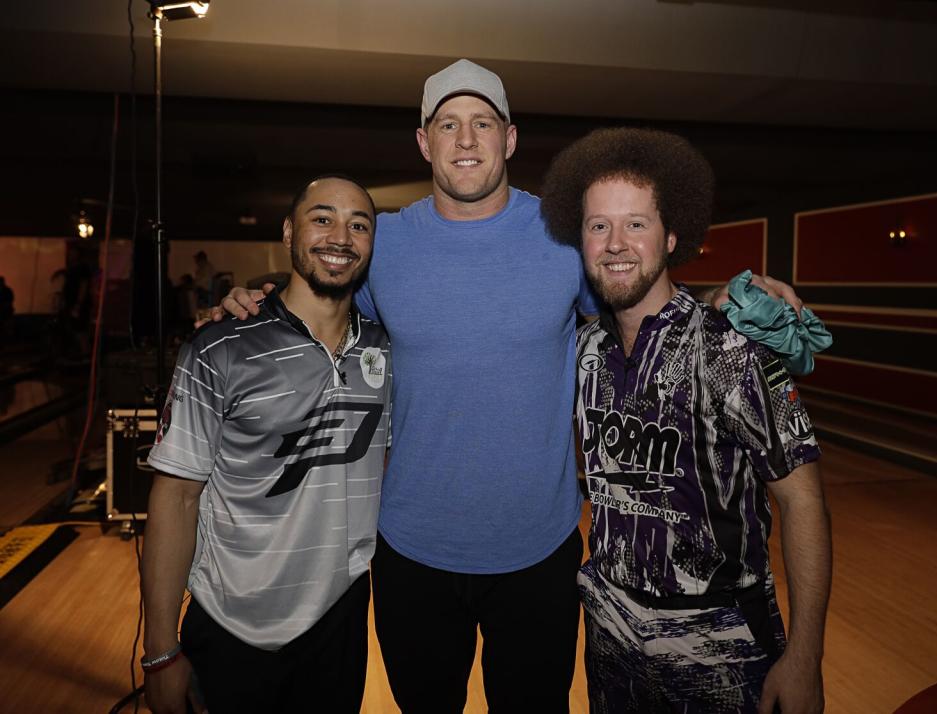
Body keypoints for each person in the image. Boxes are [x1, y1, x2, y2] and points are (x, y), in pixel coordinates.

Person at [214, 60, 805, 712]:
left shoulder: (561, 234)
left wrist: (718, 300)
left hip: (538, 554)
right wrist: (254, 300)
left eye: (482, 124)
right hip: (413, 552)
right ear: (424, 142)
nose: (466, 141)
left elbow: (635, 295)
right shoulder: (386, 243)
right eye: (448, 125)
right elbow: (321, 307)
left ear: (511, 138)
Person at [539, 127, 831, 713]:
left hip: (722, 647)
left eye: (636, 224)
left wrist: (804, 658)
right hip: (610, 637)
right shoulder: (583, 351)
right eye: (599, 226)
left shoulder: (732, 353)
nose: (616, 242)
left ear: (672, 236)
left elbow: (804, 503)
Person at [141, 175, 391, 714]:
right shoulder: (220, 346)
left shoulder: (383, 349)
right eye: (322, 218)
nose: (340, 236)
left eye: (358, 224)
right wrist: (159, 652)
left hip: (338, 619)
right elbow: (176, 497)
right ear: (288, 231)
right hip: (233, 622)